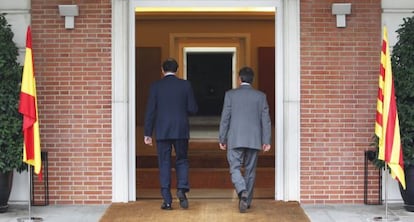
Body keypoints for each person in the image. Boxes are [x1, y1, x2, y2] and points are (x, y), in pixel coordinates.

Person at [144, 58, 198, 210]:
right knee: (182, 160)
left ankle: (167, 201)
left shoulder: (156, 86)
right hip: (181, 129)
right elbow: (193, 108)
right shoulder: (185, 85)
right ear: (177, 70)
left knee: (164, 163)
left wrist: (148, 133)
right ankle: (181, 188)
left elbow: (151, 111)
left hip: (162, 130)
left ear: (162, 70)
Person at [218, 66, 272, 213]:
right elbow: (265, 120)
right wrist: (266, 140)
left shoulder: (230, 95)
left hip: (235, 139)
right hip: (254, 139)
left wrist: (222, 138)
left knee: (234, 168)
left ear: (239, 79)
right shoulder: (260, 96)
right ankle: (246, 202)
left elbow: (225, 118)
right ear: (252, 80)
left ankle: (242, 191)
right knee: (250, 171)